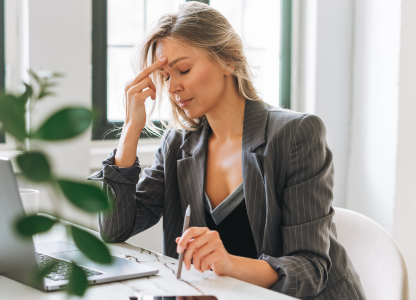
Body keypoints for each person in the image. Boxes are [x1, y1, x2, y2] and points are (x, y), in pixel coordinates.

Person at [88, 2, 366, 299]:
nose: (172, 88)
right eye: (167, 77)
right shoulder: (177, 145)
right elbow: (114, 230)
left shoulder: (296, 135)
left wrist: (228, 263)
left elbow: (309, 270)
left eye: (183, 69)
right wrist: (131, 128)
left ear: (229, 59)